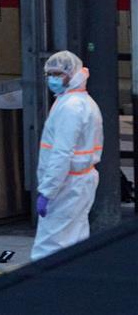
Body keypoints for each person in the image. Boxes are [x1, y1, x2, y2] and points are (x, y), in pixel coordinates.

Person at [31, 50, 102, 261]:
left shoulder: (70, 107)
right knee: (74, 239)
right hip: (79, 181)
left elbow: (61, 154)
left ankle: (46, 280)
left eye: (58, 74)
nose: (53, 79)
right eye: (50, 74)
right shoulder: (82, 102)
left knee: (50, 245)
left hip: (67, 184)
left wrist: (48, 191)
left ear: (72, 74)